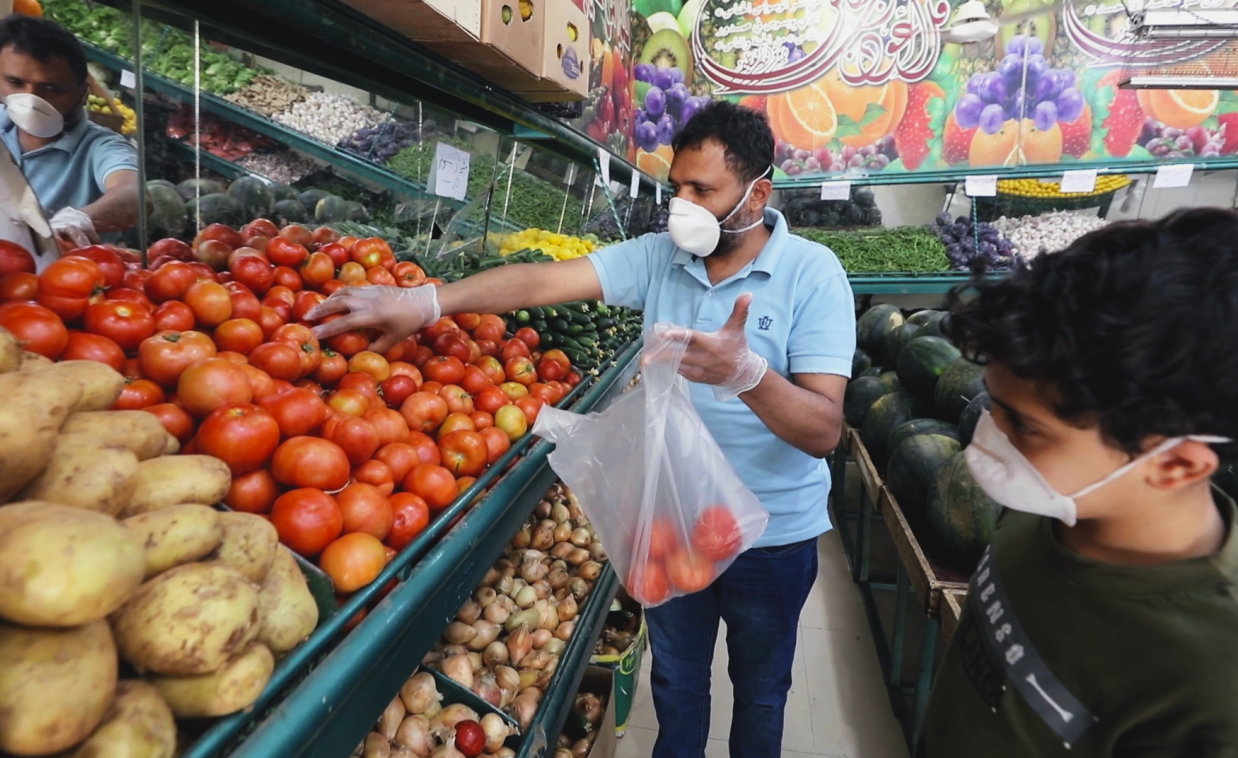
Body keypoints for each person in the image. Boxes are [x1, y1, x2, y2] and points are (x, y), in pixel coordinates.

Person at [311, 101, 856, 758]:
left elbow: (824, 430)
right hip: (671, 518)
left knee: (761, 691)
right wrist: (429, 300)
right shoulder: (661, 257)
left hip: (771, 534)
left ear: (757, 193)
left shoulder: (814, 274)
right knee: (679, 684)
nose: (680, 205)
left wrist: (748, 375)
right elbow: (543, 279)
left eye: (702, 191)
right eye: (675, 187)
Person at [918, 207, 1238, 757]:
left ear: (1176, 464)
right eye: (996, 407)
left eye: (1025, 426)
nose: (991, 438)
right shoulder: (1054, 506)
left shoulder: (1210, 680)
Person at [0, 13, 139, 246]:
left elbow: (133, 194)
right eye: (16, 83)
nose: (31, 99)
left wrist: (80, 219)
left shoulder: (102, 147)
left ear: (83, 93)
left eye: (51, 89)